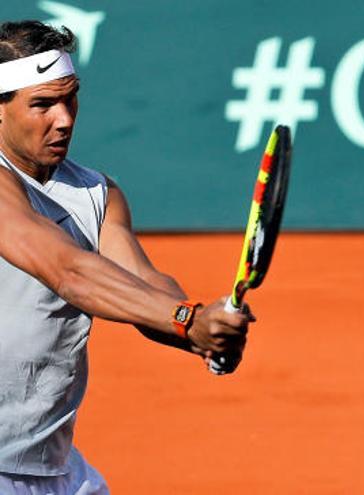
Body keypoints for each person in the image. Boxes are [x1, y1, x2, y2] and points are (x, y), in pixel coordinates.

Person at [0, 20, 252, 494]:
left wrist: (202, 329)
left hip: (54, 466)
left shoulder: (95, 192)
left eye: (69, 97)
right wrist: (184, 319)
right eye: (42, 105)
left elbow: (143, 283)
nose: (65, 118)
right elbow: (67, 270)